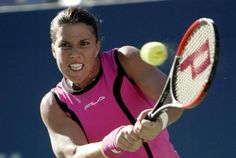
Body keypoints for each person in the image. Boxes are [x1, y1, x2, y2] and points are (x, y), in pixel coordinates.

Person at [40, 6, 183, 158]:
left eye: (84, 43)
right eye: (65, 45)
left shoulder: (126, 60)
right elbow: (72, 154)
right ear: (54, 51)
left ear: (97, 47)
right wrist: (112, 143)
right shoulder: (54, 104)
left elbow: (173, 99)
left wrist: (160, 121)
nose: (75, 54)